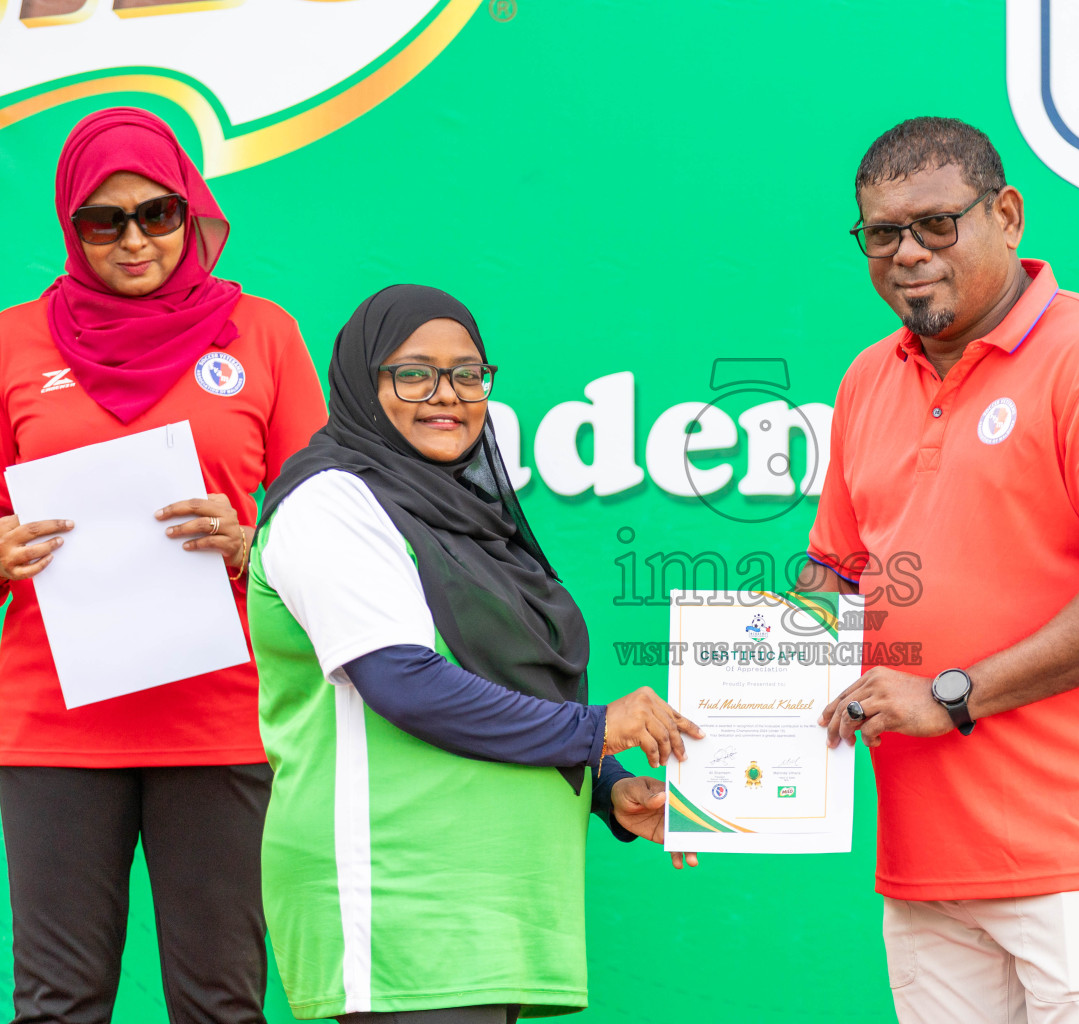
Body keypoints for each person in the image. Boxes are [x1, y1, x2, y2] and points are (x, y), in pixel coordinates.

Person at [800, 117, 1079, 1024]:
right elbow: (832, 583)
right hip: (924, 865)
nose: (907, 253)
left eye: (935, 224)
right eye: (881, 233)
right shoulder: (868, 379)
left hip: (1077, 860)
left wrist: (951, 696)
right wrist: (732, 757)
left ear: (1008, 216)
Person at [249, 284, 703, 1024]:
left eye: (468, 374)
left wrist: (609, 786)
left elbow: (509, 680)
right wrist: (595, 732)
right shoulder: (330, 504)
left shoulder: (462, 513)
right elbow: (404, 683)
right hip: (403, 896)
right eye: (414, 372)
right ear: (365, 384)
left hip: (492, 903)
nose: (447, 395)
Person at [0, 107, 328, 1023]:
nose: (134, 239)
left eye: (157, 212)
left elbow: (331, 533)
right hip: (53, 724)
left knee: (220, 1004)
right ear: (71, 226)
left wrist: (249, 541)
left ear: (192, 213)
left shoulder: (262, 335)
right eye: (104, 221)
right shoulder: (11, 343)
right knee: (56, 1005)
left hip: (220, 721)